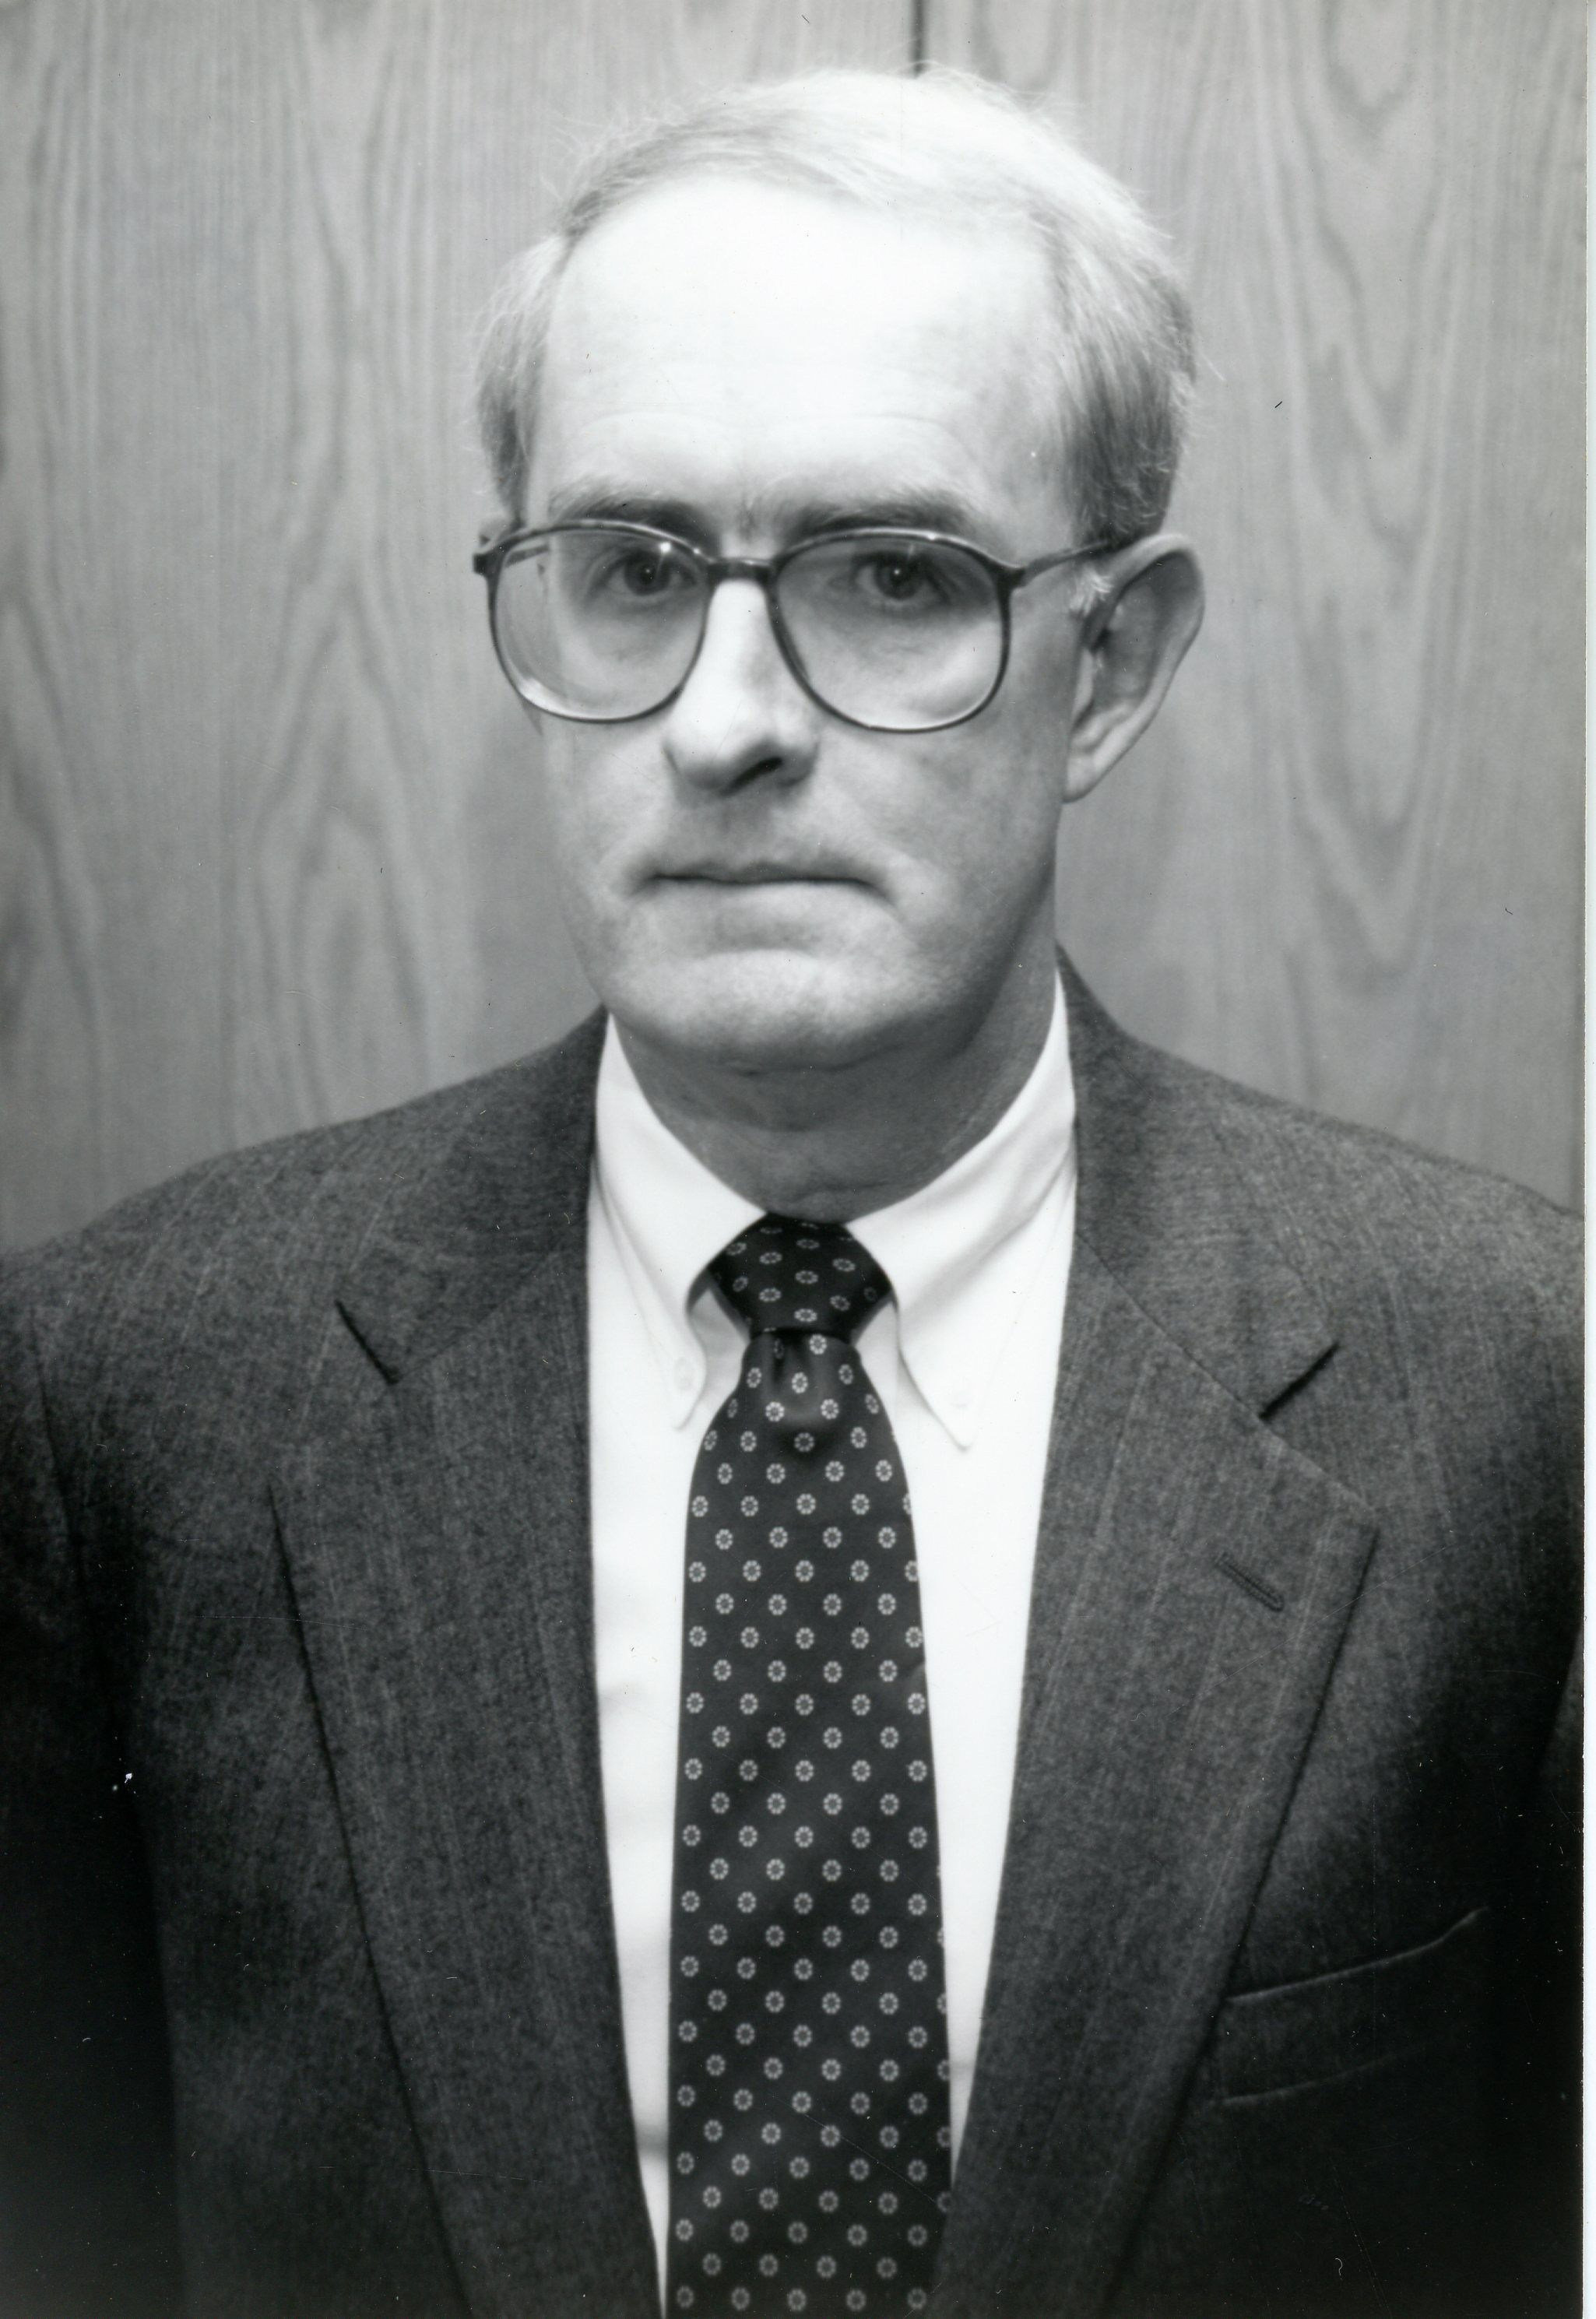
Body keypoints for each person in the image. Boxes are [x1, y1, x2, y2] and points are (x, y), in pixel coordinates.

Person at [0, 67, 1577, 2319]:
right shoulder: (127, 1402)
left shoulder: (1520, 1404)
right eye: (633, 574)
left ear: (1108, 668)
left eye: (893, 576)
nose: (726, 718)